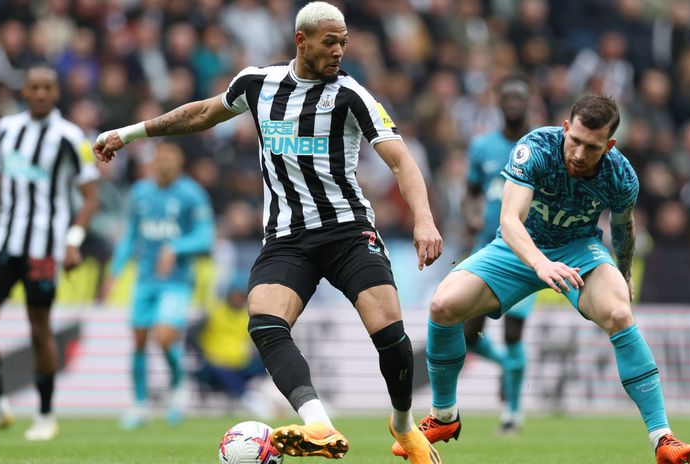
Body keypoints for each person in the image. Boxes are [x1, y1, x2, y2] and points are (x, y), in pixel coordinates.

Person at [93, 2, 443, 462]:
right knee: (264, 323)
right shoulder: (257, 83)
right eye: (329, 42)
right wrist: (131, 132)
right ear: (301, 41)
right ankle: (317, 422)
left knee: (390, 336)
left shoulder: (351, 94)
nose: (339, 50)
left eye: (343, 42)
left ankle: (402, 426)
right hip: (287, 238)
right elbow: (202, 114)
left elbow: (401, 160)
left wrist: (423, 218)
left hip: (347, 231)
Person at [393, 95, 690, 464]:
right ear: (566, 128)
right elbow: (509, 221)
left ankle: (663, 438)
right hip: (520, 248)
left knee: (619, 313)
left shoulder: (620, 174)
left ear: (609, 145)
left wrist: (625, 272)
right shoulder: (535, 147)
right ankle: (444, 416)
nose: (580, 153)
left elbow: (623, 226)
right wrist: (540, 263)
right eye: (576, 141)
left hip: (578, 250)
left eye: (593, 147)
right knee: (444, 305)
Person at [0, 65, 100, 441]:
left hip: (44, 247)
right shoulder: (6, 129)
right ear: (23, 92)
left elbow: (91, 199)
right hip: (2, 241)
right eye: (34, 87)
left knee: (39, 329)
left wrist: (72, 241)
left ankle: (44, 415)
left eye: (47, 87)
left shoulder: (72, 137)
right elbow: (5, 175)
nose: (40, 93)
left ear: (56, 93)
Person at [104, 142, 215, 429]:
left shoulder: (192, 194)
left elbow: (205, 237)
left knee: (164, 337)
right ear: (153, 162)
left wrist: (175, 247)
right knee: (139, 339)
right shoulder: (140, 192)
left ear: (179, 163)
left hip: (177, 282)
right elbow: (130, 235)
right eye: (160, 159)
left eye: (170, 159)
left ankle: (178, 390)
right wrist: (115, 271)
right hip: (145, 279)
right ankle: (139, 406)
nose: (164, 164)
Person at [460, 74, 535, 435]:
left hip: (524, 253)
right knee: (466, 333)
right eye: (508, 96)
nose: (514, 102)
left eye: (520, 96)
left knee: (514, 333)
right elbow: (471, 192)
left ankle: (512, 415)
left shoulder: (542, 145)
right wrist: (471, 218)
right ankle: (508, 365)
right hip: (487, 249)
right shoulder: (482, 147)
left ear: (528, 102)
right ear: (499, 103)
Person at [189, 273, 280, 420]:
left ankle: (270, 396)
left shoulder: (248, 316)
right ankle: (252, 400)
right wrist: (201, 354)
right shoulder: (215, 312)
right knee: (219, 369)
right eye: (236, 295)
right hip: (214, 366)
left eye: (241, 296)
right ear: (229, 294)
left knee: (271, 361)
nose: (238, 299)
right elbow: (191, 336)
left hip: (239, 365)